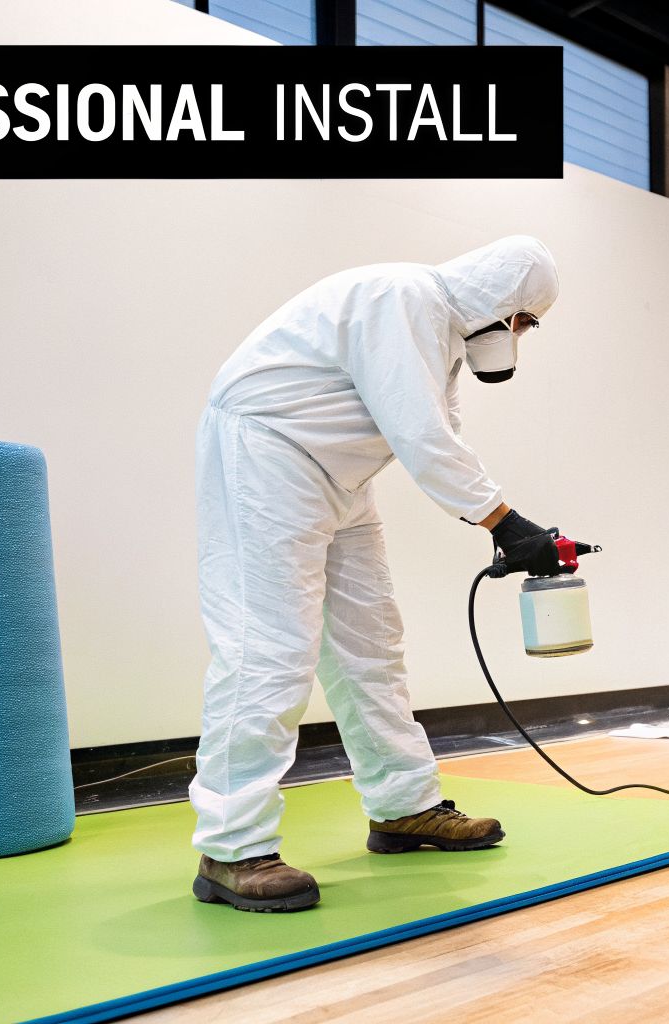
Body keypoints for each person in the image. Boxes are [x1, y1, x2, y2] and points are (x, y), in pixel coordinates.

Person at [189, 236, 574, 912]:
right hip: (269, 455)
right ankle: (232, 846)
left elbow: (443, 434)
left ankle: (403, 806)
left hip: (340, 476)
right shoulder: (403, 298)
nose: (516, 335)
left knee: (372, 645)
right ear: (501, 297)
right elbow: (421, 437)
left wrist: (504, 520)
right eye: (521, 320)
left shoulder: (440, 332)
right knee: (268, 649)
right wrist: (505, 522)